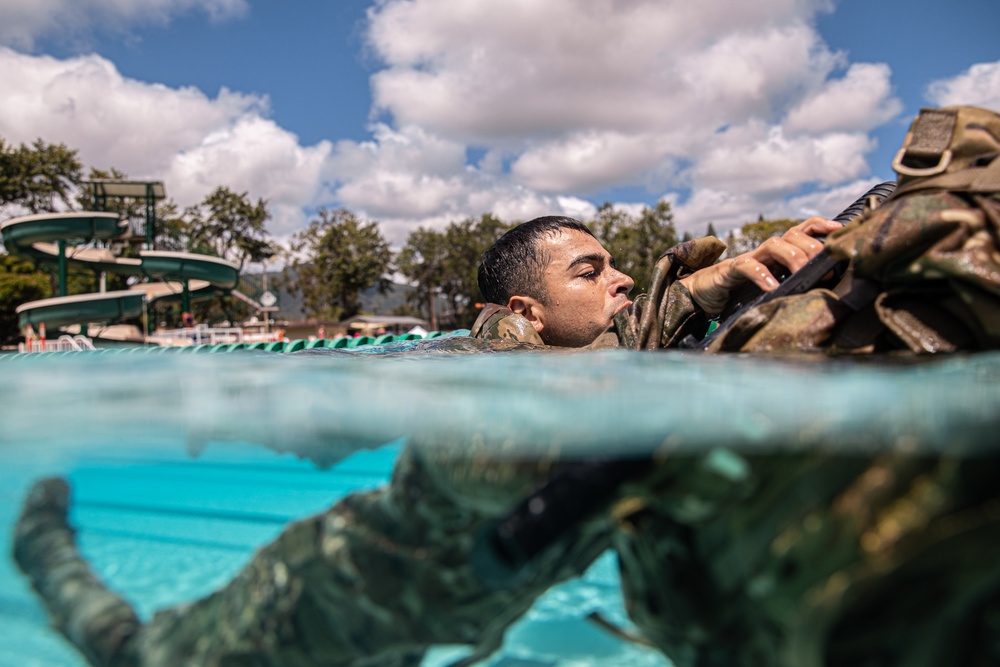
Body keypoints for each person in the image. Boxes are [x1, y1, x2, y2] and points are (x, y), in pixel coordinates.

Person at [14, 104, 1000, 667]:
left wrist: (722, 289)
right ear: (524, 314)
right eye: (590, 269)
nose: (623, 278)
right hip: (344, 589)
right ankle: (43, 534)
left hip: (436, 612)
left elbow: (623, 351)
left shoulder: (608, 357)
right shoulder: (485, 358)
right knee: (130, 652)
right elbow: (537, 389)